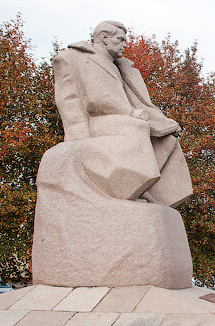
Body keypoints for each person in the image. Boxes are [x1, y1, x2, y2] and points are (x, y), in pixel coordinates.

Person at [53, 20, 192, 207]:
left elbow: (141, 102)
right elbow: (94, 100)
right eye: (120, 39)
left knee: (167, 138)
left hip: (124, 117)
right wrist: (131, 113)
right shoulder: (77, 58)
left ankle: (143, 188)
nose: (125, 44)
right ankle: (129, 187)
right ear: (104, 38)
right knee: (137, 127)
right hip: (97, 121)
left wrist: (164, 121)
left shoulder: (122, 67)